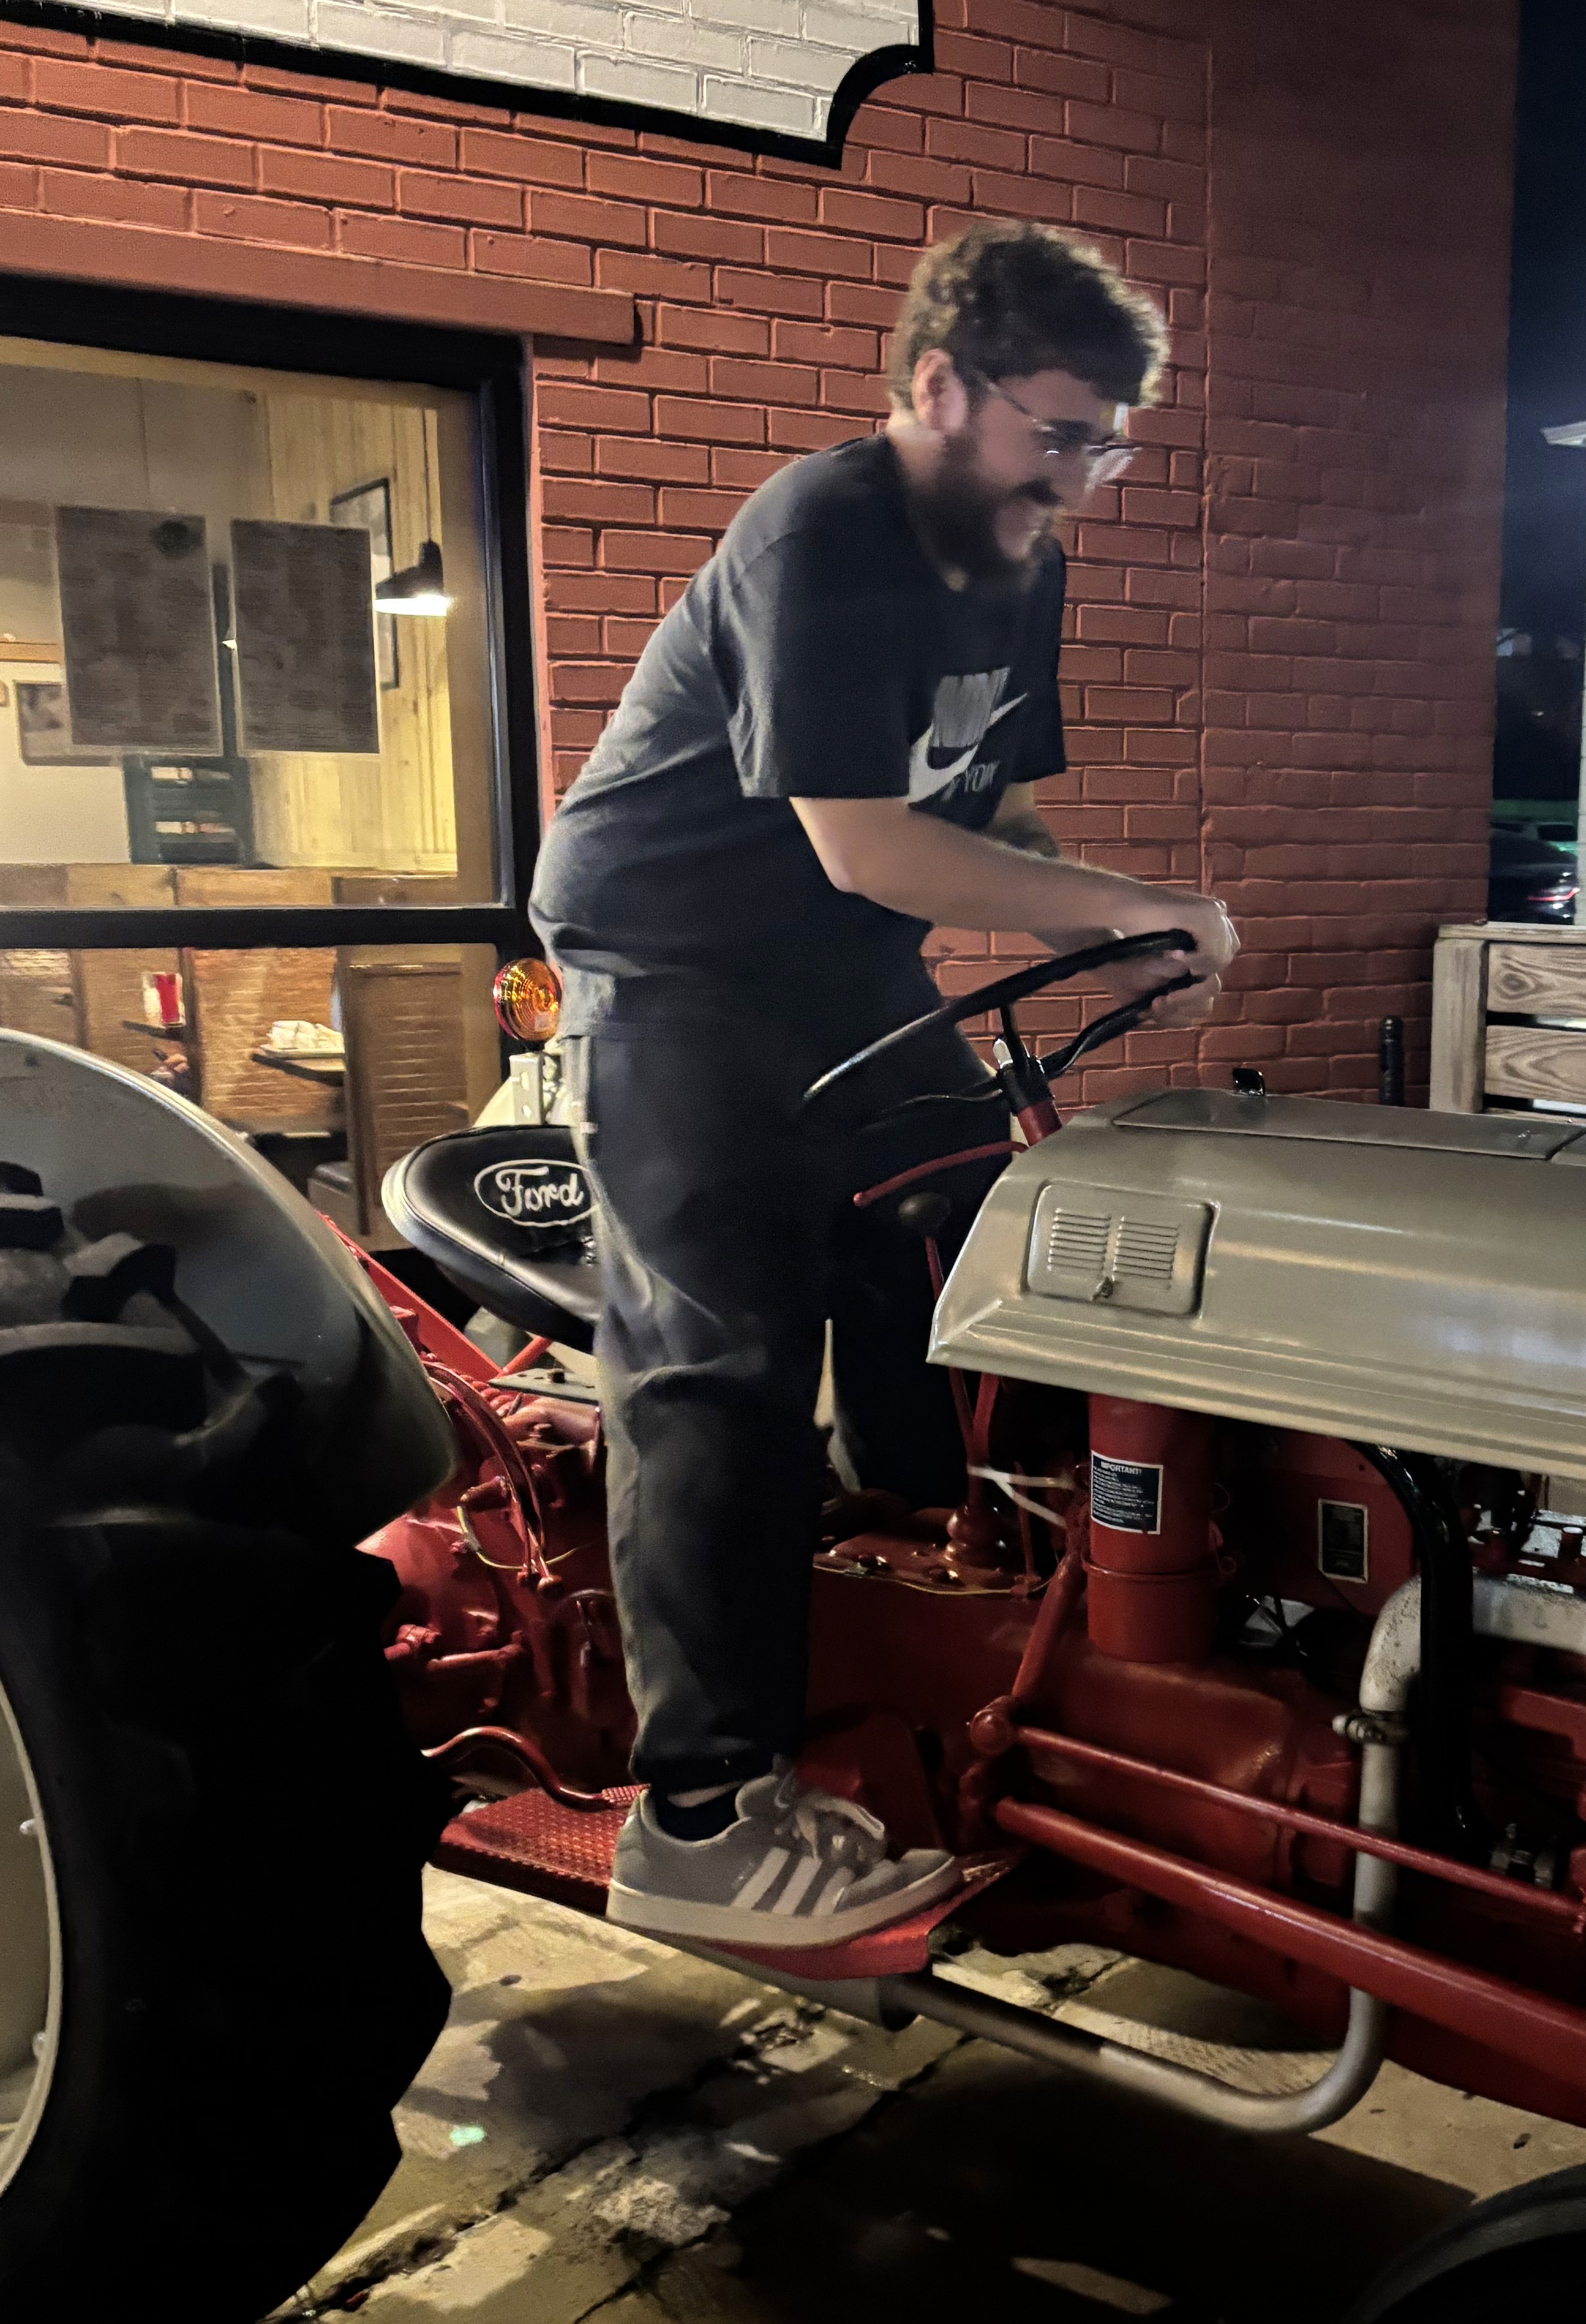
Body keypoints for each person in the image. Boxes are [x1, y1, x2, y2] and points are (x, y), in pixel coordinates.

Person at [530, 219, 1237, 1952]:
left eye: (1106, 448)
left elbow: (991, 809)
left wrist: (1099, 927)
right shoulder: (822, 529)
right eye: (1057, 436)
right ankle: (700, 1820)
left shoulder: (1017, 554)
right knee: (719, 1359)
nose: (1078, 482)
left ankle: (965, 1625)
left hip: (842, 965)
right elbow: (862, 842)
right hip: (679, 961)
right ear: (939, 387)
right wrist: (1127, 906)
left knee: (985, 1255)